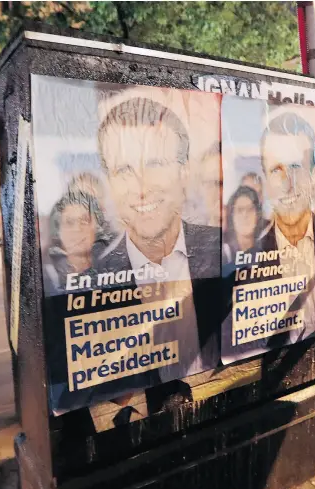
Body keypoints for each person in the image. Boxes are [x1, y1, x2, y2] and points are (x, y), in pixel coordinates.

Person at [95, 96, 222, 393]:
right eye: (124, 170)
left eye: (154, 164)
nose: (141, 188)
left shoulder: (222, 249)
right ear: (109, 183)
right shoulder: (91, 281)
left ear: (184, 171)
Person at [256, 111, 315, 344]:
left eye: (295, 167)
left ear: (313, 173)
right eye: (276, 170)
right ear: (264, 180)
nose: (287, 184)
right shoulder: (249, 253)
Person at [44, 180, 110, 295]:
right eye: (69, 222)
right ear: (58, 232)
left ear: (97, 228)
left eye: (84, 220)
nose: (77, 229)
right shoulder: (46, 280)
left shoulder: (115, 271)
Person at [222, 185, 263, 265]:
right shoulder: (224, 255)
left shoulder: (266, 250)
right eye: (240, 210)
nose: (245, 215)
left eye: (250, 209)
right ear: (232, 216)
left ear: (257, 216)